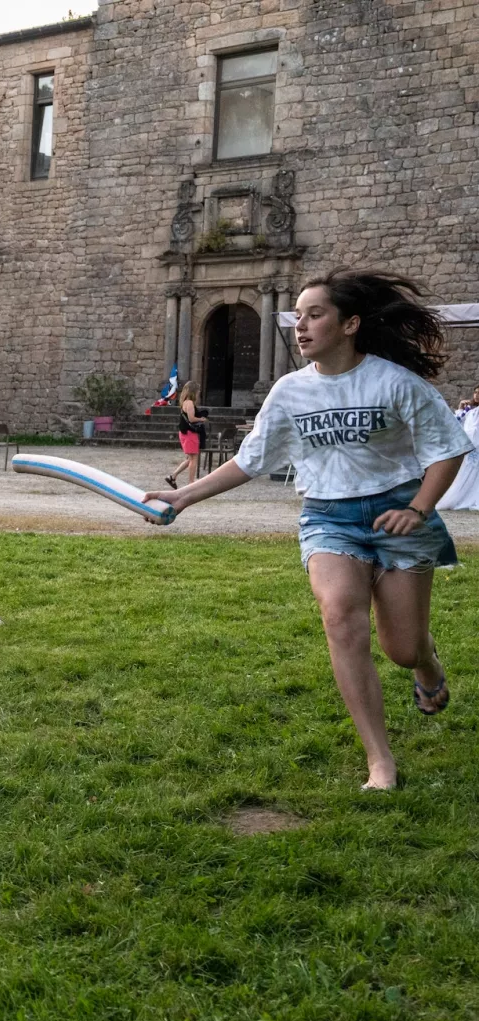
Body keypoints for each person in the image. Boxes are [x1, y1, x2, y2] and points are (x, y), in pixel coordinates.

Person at [147, 269, 472, 790]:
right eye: (297, 315)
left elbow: (449, 449)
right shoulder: (290, 391)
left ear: (350, 324)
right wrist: (183, 496)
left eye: (315, 314)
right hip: (329, 517)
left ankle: (426, 664)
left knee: (403, 647)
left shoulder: (394, 382)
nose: (301, 326)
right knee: (341, 616)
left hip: (397, 514)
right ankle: (379, 761)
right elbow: (249, 461)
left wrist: (418, 507)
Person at [435, 383, 479, 511]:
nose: (476, 395)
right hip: (469, 447)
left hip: (476, 446)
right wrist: (460, 409)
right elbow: (457, 424)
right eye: (475, 392)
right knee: (465, 473)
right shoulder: (470, 411)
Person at [165, 378, 207, 487]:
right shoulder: (190, 403)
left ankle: (172, 477)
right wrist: (201, 419)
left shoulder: (184, 402)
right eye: (197, 391)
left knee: (189, 459)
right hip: (190, 434)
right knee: (193, 458)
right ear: (193, 391)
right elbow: (191, 419)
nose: (198, 393)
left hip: (184, 433)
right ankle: (191, 482)